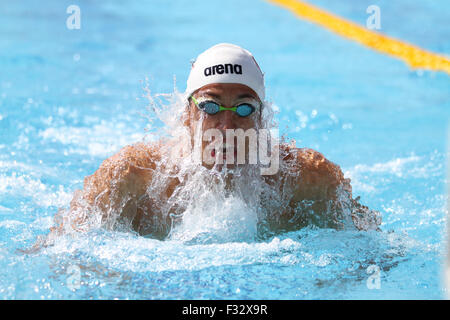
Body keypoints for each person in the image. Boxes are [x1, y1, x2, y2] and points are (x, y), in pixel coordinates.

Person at [38, 43, 381, 248]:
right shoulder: (131, 178)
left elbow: (376, 251)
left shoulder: (309, 180)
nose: (227, 125)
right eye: (210, 106)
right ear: (186, 114)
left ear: (262, 118)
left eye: (244, 108)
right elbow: (57, 250)